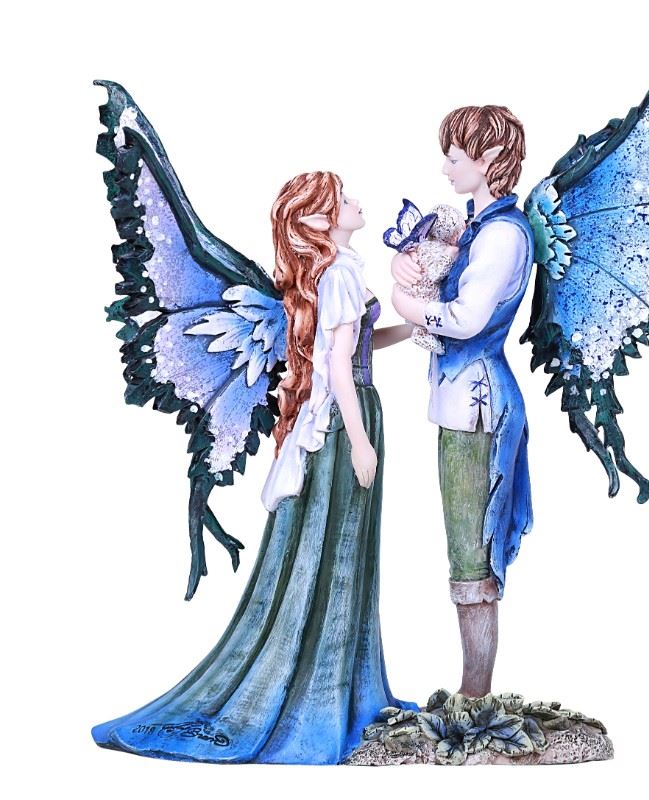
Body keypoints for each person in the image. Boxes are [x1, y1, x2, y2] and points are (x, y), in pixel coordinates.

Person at [92, 171, 414, 764]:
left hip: (344, 411)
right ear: (318, 221)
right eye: (342, 199)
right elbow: (339, 369)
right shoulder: (339, 275)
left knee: (344, 544)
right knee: (337, 544)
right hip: (344, 418)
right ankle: (319, 694)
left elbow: (353, 347)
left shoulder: (336, 272)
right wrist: (361, 441)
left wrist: (413, 328)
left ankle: (339, 684)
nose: (356, 203)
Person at [391, 106, 535, 698]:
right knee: (464, 551)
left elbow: (466, 318)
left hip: (478, 407)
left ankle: (475, 697)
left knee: (472, 559)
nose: (446, 167)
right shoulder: (478, 228)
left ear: (489, 158)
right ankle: (473, 693)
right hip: (461, 402)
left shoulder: (502, 235)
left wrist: (408, 306)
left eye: (455, 156)